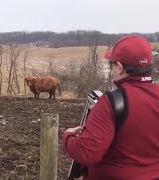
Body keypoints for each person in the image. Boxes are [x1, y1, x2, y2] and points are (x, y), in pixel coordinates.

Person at [62, 35, 159, 180]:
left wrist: (68, 136)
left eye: (112, 65)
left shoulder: (111, 102)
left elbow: (86, 153)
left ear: (119, 67)